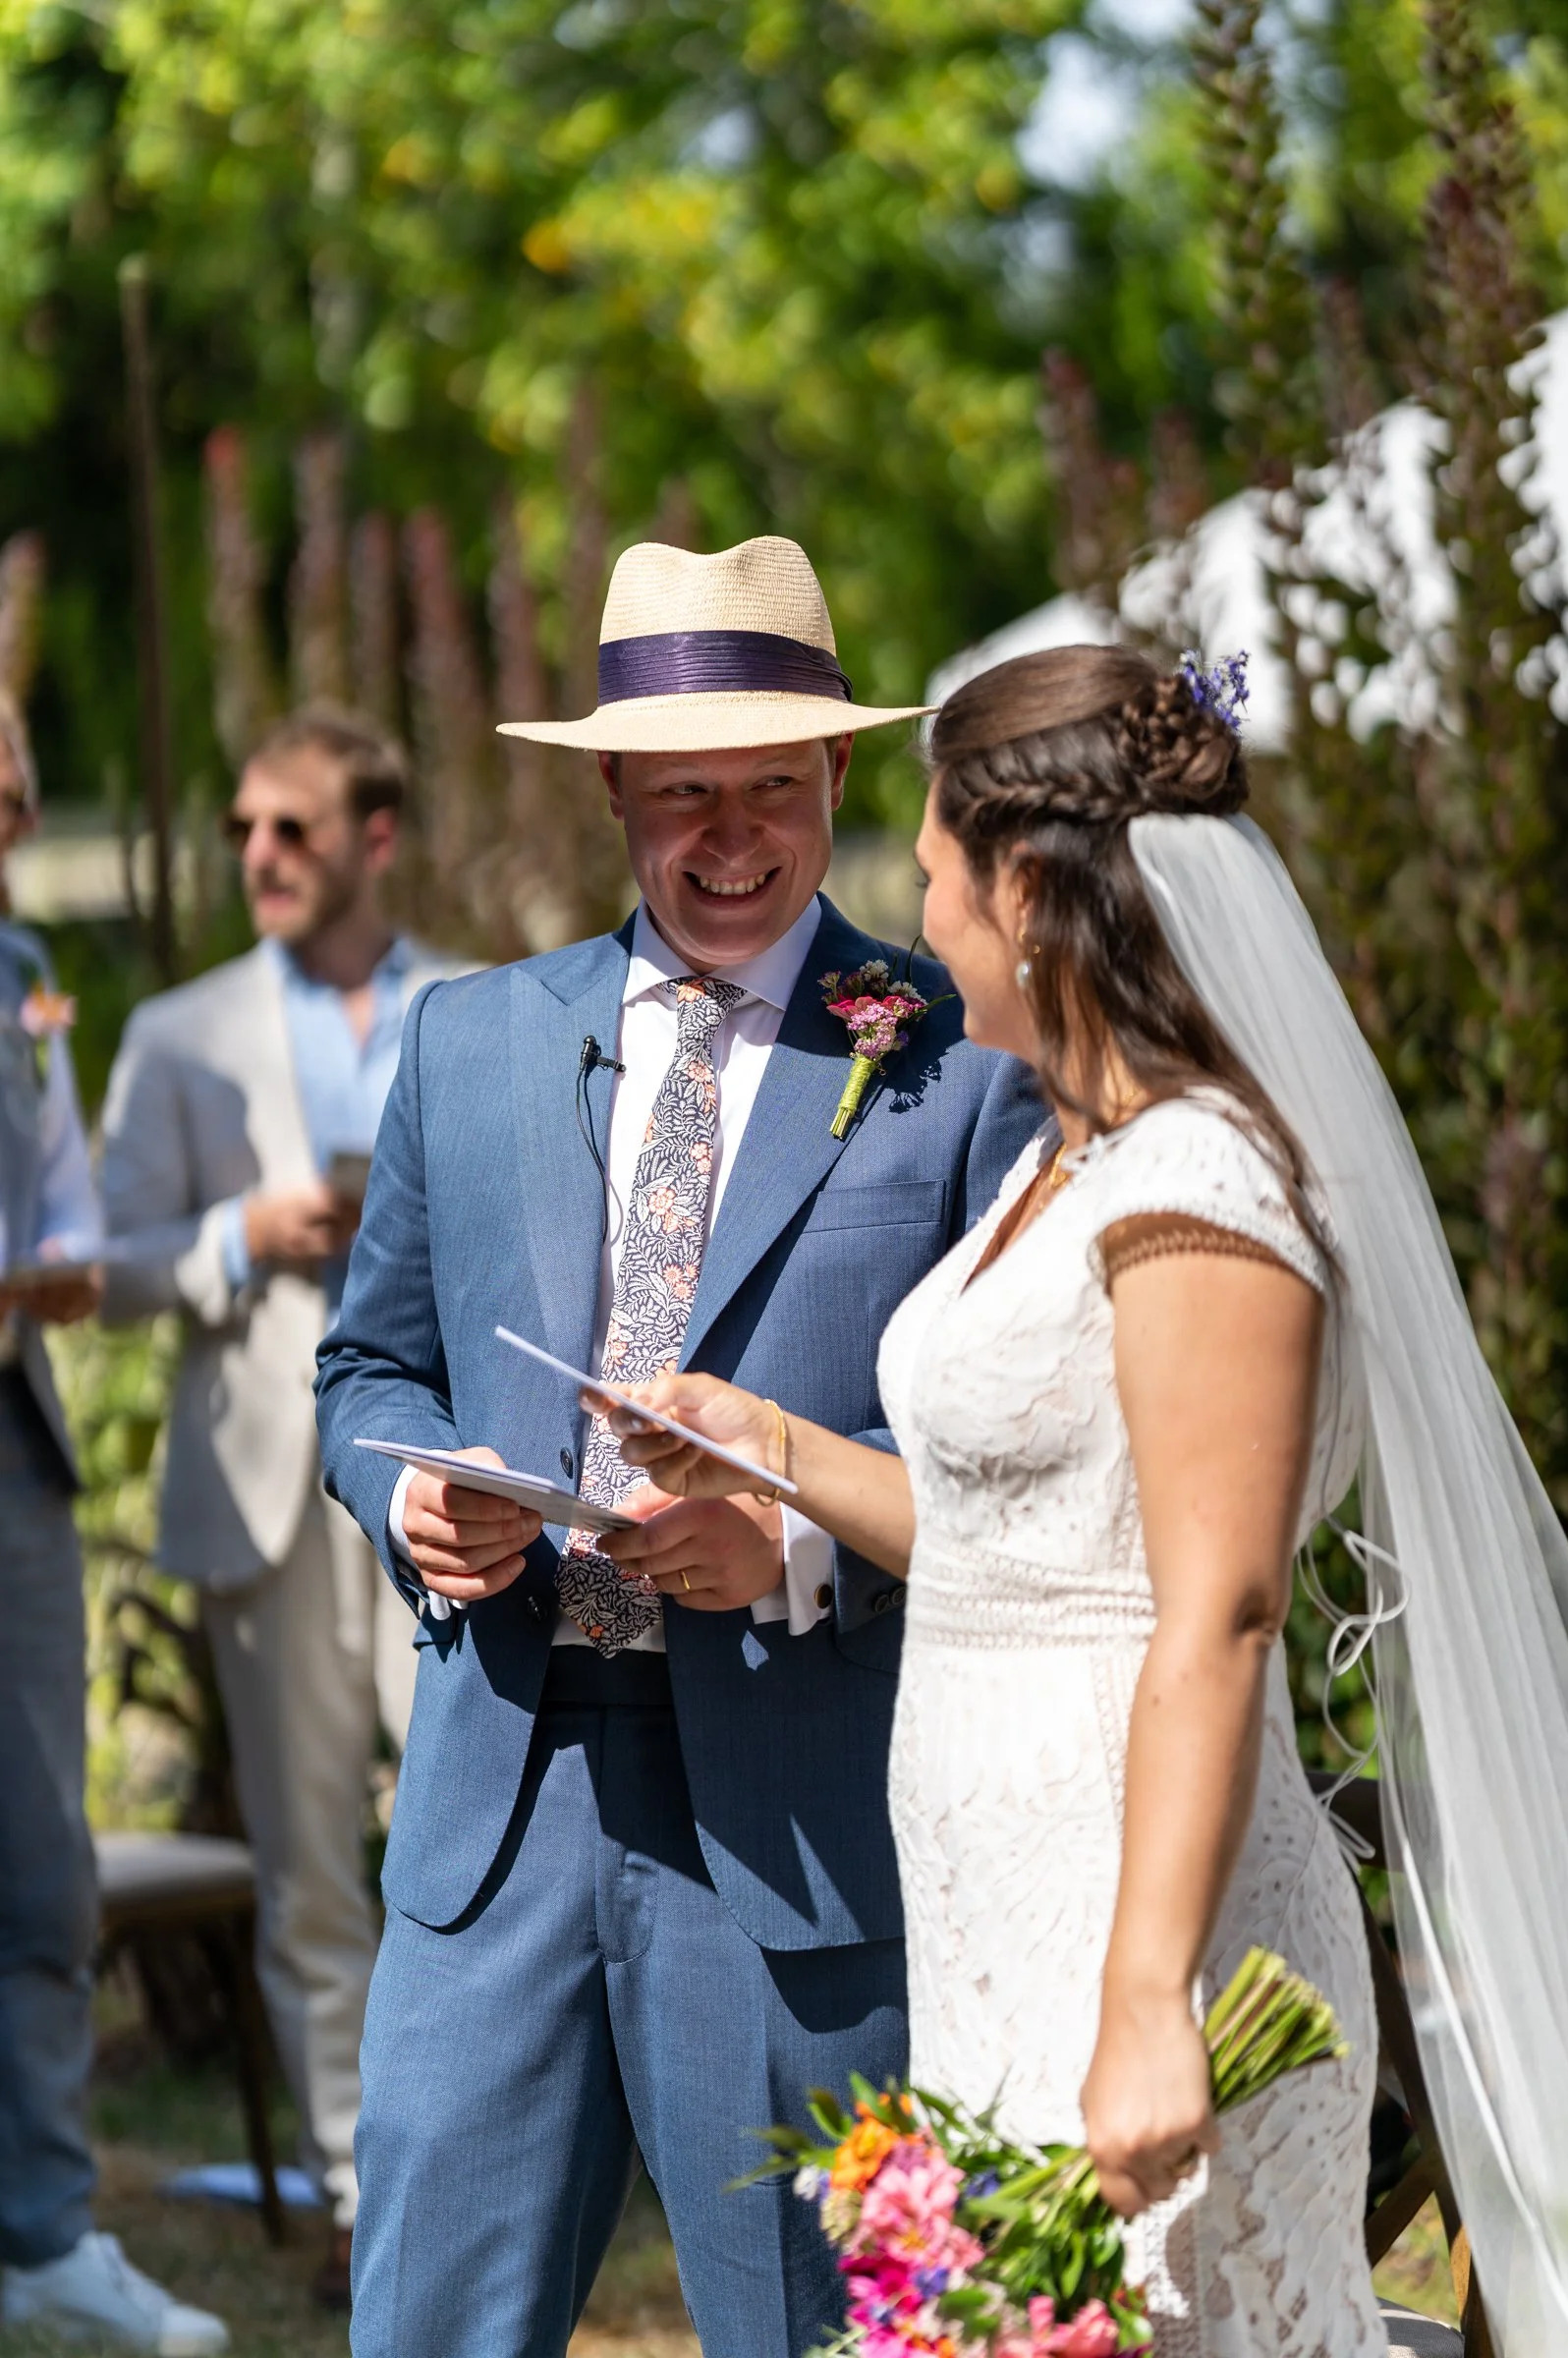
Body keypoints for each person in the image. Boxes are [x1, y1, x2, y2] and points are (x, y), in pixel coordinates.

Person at [607, 640, 1568, 2356]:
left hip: (1146, 1913)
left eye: (938, 871)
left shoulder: (1201, 1181)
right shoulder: (1073, 1158)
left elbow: (1219, 1606)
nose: (921, 912)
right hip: (1004, 1913)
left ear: (1033, 899)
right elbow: (1017, 1549)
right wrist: (765, 1439)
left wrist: (1144, 2003)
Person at [312, 533, 1042, 2358]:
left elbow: (1018, 1443)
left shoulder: (963, 1057)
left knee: (818, 2333)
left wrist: (798, 1543)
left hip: (794, 1827)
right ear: (614, 789)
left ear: (840, 775)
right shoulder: (470, 1040)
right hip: (497, 1808)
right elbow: (368, 1366)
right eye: (682, 793)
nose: (730, 838)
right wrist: (412, 1493)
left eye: (769, 787)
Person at [98, 703, 468, 2307]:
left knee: (469, 1833)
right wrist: (243, 1234)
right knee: (312, 1865)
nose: (257, 852)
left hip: (445, 1477)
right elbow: (99, 1270)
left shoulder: (477, 1005)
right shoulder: (176, 1034)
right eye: (242, 825)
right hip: (263, 1483)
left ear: (375, 838)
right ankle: (355, 2199)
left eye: (292, 828)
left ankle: (481, 2161)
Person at [0, 691, 229, 2355]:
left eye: (17, 778)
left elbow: (61, 1208)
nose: (12, 810)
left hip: (15, 1453)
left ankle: (42, 2231)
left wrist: (63, 1264)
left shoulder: (25, 981)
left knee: (41, 1861)